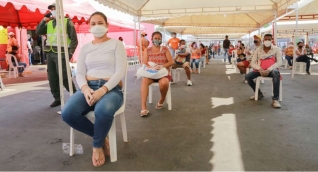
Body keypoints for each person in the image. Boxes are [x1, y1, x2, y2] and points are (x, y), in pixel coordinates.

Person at [61, 11, 127, 167]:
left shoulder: (116, 44)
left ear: (107, 26)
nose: (96, 26)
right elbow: (80, 73)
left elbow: (120, 71)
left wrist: (102, 90)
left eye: (100, 23)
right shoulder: (85, 48)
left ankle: (97, 147)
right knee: (68, 113)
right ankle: (101, 138)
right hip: (88, 87)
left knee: (103, 111)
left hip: (110, 89)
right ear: (89, 27)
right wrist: (84, 89)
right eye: (93, 23)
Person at [36, 3, 78, 107]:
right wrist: (43, 20)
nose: (53, 11)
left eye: (55, 9)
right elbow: (38, 31)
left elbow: (74, 39)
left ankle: (77, 97)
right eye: (51, 9)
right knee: (52, 77)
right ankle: (57, 98)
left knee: (65, 77)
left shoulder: (67, 21)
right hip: (50, 53)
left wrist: (70, 53)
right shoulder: (49, 23)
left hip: (62, 53)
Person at [140, 31, 174, 117]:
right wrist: (150, 67)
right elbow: (144, 62)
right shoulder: (147, 50)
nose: (157, 40)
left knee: (164, 83)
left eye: (159, 38)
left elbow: (171, 62)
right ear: (151, 39)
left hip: (163, 73)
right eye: (155, 38)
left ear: (161, 40)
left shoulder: (165, 49)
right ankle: (143, 107)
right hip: (151, 73)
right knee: (144, 81)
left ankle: (162, 99)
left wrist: (162, 66)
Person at [245, 34, 282, 108]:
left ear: (272, 40)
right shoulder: (258, 49)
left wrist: (269, 69)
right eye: (266, 39)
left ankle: (275, 99)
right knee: (247, 76)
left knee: (276, 74)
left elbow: (279, 62)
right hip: (260, 70)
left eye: (269, 39)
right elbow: (252, 62)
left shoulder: (276, 49)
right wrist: (260, 69)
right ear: (263, 40)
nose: (267, 41)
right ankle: (258, 93)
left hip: (271, 70)